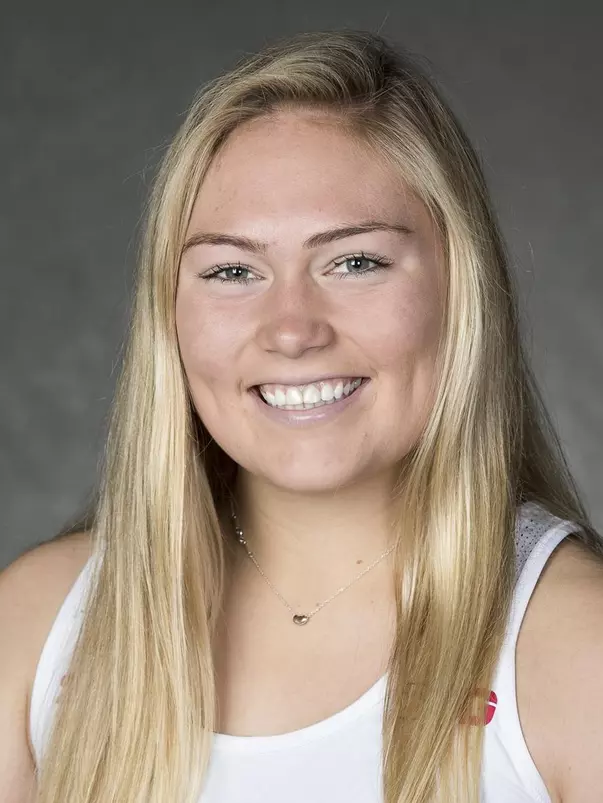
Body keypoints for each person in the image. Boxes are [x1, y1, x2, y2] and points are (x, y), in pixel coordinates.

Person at [1, 28, 602, 803]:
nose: (291, 329)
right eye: (232, 270)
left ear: (460, 290)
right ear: (168, 313)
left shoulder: (576, 651)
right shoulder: (36, 626)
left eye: (354, 262)